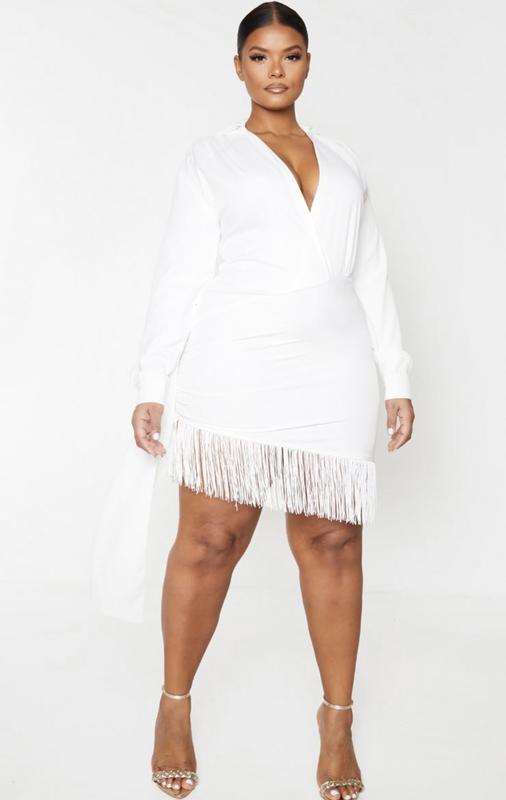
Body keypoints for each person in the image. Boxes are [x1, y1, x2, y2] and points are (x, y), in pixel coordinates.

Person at [130, 3, 415, 798]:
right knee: (211, 539)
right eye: (259, 56)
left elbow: (371, 273)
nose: (276, 70)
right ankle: (174, 704)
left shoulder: (345, 161)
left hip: (334, 370)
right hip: (236, 365)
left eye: (290, 55)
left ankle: (337, 719)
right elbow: (181, 273)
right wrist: (153, 383)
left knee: (334, 540)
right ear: (238, 68)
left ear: (308, 63)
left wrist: (395, 375)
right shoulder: (212, 158)